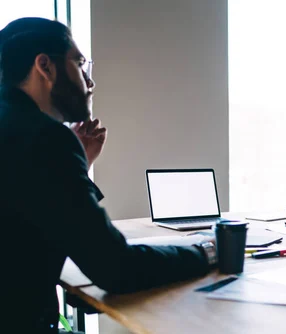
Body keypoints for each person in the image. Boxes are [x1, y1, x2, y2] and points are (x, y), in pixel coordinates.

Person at [0, 18, 216, 333]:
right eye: (80, 63)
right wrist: (207, 251)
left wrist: (79, 164)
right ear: (44, 66)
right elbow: (116, 268)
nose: (90, 81)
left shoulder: (19, 131)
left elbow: (29, 214)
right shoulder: (45, 139)